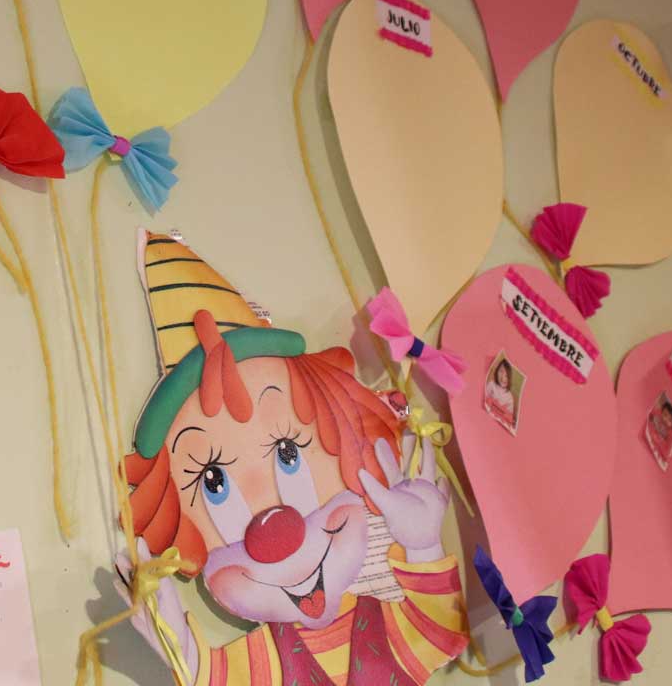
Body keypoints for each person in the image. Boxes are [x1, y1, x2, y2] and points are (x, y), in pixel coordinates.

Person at [121, 233, 467, 685]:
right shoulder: (269, 658)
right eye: (213, 484)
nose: (276, 535)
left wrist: (424, 545)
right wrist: (179, 647)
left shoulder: (381, 621)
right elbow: (217, 677)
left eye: (288, 453)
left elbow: (441, 633)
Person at [483, 357, 519, 434]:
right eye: (501, 372)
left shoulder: (509, 397)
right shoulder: (492, 384)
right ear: (496, 372)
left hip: (497, 427)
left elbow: (508, 417)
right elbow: (483, 397)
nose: (503, 377)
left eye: (506, 375)